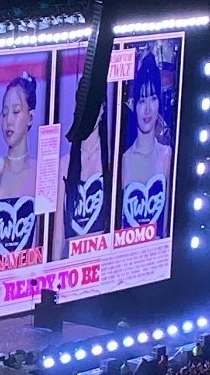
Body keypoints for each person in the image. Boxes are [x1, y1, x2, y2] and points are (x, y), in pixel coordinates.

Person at [0, 72, 39, 273]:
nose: (8, 121)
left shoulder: (40, 173)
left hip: (27, 281)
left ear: (30, 117)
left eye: (16, 111)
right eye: (4, 113)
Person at [120, 51, 173, 238]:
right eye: (142, 100)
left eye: (153, 98)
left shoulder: (167, 155)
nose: (148, 109)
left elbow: (166, 224)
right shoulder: (124, 160)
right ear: (134, 105)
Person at [52, 97, 111, 261]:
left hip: (103, 264)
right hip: (71, 266)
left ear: (102, 108)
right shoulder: (65, 164)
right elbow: (58, 236)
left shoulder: (111, 161)